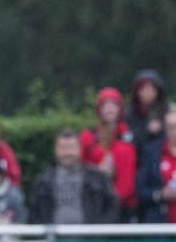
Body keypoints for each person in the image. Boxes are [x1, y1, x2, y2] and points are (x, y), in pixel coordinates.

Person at [30, 128, 120, 225]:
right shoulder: (44, 181)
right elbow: (34, 212)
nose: (67, 153)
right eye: (63, 148)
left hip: (91, 238)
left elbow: (113, 207)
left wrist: (98, 231)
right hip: (53, 239)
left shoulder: (98, 178)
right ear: (55, 150)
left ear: (80, 149)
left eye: (71, 147)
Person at [79, 87, 138, 221]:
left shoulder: (128, 138)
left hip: (124, 206)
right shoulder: (88, 137)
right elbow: (81, 169)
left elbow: (129, 179)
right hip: (95, 204)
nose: (109, 108)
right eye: (105, 104)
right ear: (98, 109)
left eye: (114, 104)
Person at [125, 68, 168, 160]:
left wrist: (162, 129)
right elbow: (128, 139)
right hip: (138, 158)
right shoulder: (129, 114)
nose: (148, 93)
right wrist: (147, 131)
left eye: (152, 89)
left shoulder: (166, 111)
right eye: (144, 89)